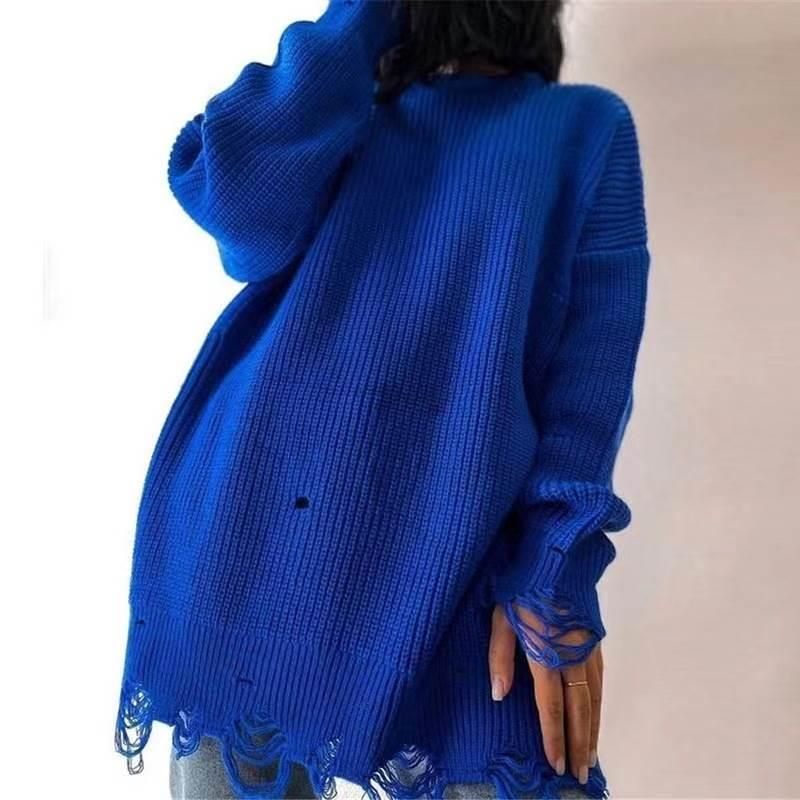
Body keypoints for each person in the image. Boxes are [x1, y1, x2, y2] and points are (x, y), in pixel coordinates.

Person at [114, 1, 651, 798]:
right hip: (258, 549)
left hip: (466, 563)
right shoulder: (339, 116)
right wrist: (368, 15)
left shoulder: (582, 127)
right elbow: (231, 195)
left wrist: (553, 571)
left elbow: (590, 381)